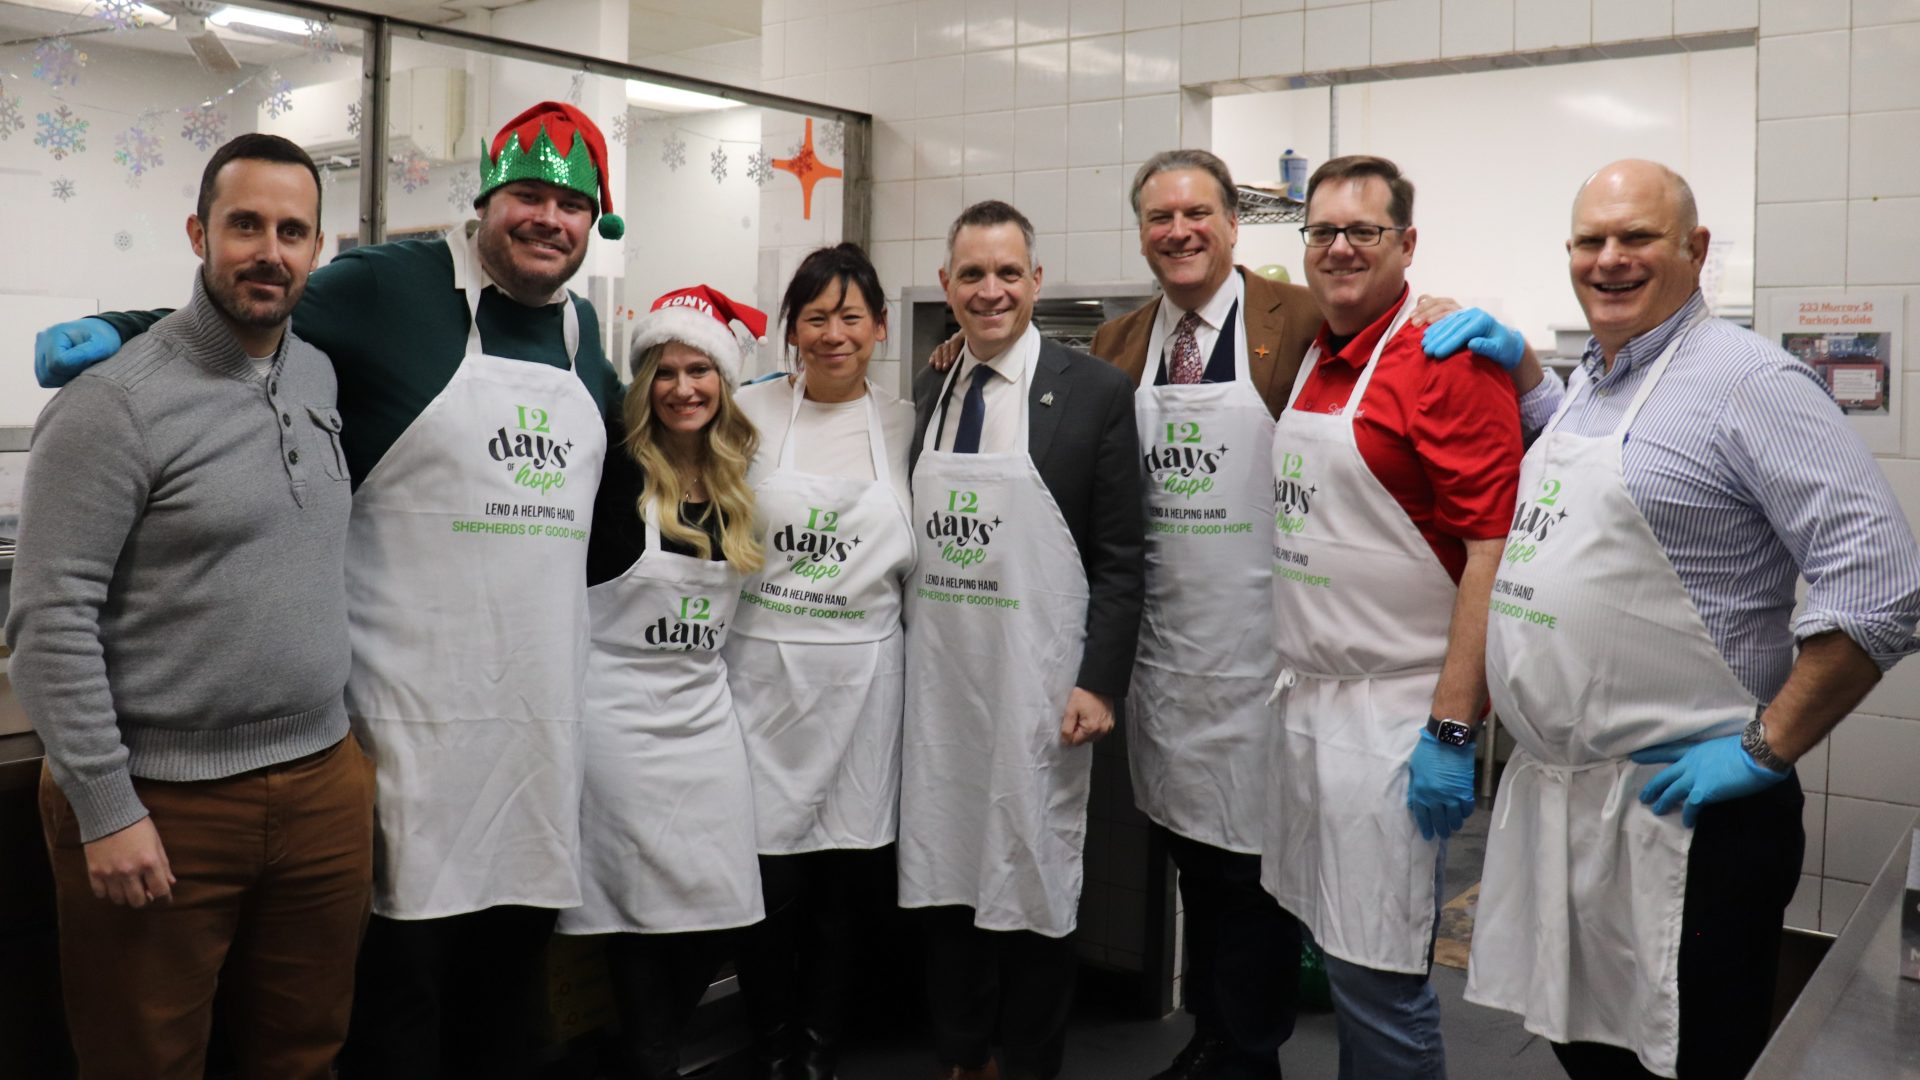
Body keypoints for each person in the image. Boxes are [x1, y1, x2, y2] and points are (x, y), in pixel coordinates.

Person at [33, 100, 628, 1079]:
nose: (547, 220)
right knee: (378, 1015)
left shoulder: (583, 333)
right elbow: (256, 304)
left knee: (471, 1018)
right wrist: (114, 331)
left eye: (572, 205)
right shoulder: (398, 285)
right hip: (389, 743)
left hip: (527, 745)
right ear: (484, 202)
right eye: (527, 194)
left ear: (594, 222)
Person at [1465, 159, 1920, 1080]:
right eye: (1591, 240)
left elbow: (1883, 584)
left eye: (1637, 237)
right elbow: (1639, 469)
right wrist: (1521, 373)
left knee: (1687, 1059)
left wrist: (1764, 747)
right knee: (1586, 1047)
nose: (1611, 259)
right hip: (1573, 804)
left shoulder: (1751, 381)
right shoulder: (1593, 381)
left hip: (1689, 817)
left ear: (1695, 249)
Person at [6, 133, 373, 1079]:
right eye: (244, 224)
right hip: (165, 800)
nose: (269, 251)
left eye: (293, 231)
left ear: (318, 250)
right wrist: (105, 806)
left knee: (304, 1054)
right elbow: (48, 622)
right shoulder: (112, 405)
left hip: (321, 784)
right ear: (198, 233)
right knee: (146, 1061)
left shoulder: (318, 377)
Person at [1263, 155, 1522, 1080]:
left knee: (1379, 981)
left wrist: (1452, 727)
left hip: (1394, 713)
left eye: (1362, 231)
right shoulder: (1314, 358)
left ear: (1406, 243)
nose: (1339, 248)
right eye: (1322, 231)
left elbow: (1492, 553)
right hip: (1311, 705)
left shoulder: (1441, 359)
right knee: (1336, 956)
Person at [900, 199, 1146, 1080]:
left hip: (1040, 689)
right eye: (972, 274)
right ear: (947, 286)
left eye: (1009, 273)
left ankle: (1029, 1062)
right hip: (941, 687)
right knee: (945, 881)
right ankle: (963, 1058)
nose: (991, 290)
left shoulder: (1095, 394)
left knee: (1035, 882)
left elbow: (1123, 559)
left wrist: (1099, 682)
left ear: (1036, 281)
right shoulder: (934, 387)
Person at [563, 285, 769, 1080]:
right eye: (666, 371)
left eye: (701, 371)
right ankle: (652, 1061)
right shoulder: (613, 476)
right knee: (636, 933)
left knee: (717, 915)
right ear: (643, 383)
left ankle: (655, 1052)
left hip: (705, 727)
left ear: (724, 384)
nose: (684, 388)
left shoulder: (735, 482)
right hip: (617, 726)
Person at [727, 244, 917, 1080]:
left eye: (851, 317)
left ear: (879, 325)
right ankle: (769, 1043)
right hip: (763, 677)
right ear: (791, 330)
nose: (834, 334)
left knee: (845, 884)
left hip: (865, 680)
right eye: (815, 318)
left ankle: (818, 1051)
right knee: (767, 881)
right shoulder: (747, 412)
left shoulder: (908, 420)